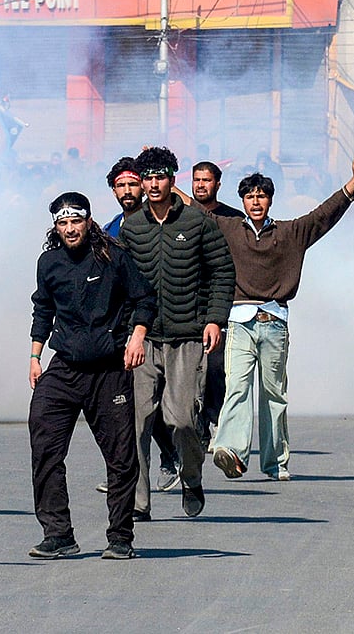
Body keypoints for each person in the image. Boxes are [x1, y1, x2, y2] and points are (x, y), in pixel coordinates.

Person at [203, 152, 354, 481]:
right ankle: (231, 451)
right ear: (241, 200)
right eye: (250, 197)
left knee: (273, 395)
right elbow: (194, 210)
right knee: (237, 387)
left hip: (274, 324)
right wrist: (159, 178)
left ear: (270, 200)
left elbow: (323, 216)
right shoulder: (227, 229)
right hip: (239, 323)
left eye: (261, 196)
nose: (255, 202)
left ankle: (275, 462)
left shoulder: (291, 233)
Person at [27, 192, 156, 560]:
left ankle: (120, 536)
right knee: (44, 446)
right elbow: (43, 309)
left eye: (76, 221)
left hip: (108, 370)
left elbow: (145, 298)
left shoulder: (113, 257)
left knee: (120, 457)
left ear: (88, 222)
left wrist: (137, 337)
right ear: (56, 226)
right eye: (63, 223)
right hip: (63, 368)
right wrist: (35, 357)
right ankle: (58, 534)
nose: (70, 229)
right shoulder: (48, 262)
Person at [119, 146, 235, 520]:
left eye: (161, 177)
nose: (153, 184)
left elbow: (222, 272)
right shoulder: (131, 227)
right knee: (137, 422)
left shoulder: (197, 223)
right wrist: (125, 333)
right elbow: (123, 284)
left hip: (187, 337)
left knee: (181, 419)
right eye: (147, 178)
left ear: (173, 180)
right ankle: (139, 502)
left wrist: (215, 319)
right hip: (145, 337)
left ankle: (191, 475)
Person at [101, 157, 180, 493]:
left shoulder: (162, 220)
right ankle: (127, 471)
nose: (128, 191)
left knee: (157, 403)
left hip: (163, 325)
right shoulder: (109, 230)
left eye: (133, 184)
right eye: (121, 185)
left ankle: (171, 455)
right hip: (124, 327)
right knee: (126, 403)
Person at [189, 161, 246, 450]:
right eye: (196, 179)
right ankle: (196, 426)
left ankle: (215, 420)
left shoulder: (233, 219)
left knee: (214, 368)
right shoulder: (183, 215)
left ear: (217, 184)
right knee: (189, 370)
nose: (201, 185)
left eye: (206, 180)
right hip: (187, 302)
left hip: (220, 303)